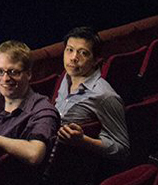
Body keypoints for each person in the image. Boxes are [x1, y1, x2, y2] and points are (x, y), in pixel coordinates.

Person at [0, 40, 60, 173]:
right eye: (0, 71)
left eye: (14, 72)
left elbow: (35, 155)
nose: (6, 78)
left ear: (29, 74)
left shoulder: (43, 111)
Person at [55, 27, 130, 162]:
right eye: (69, 50)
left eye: (83, 53)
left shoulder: (104, 95)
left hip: (65, 164)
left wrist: (83, 140)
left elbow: (122, 149)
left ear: (96, 60)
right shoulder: (67, 76)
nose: (73, 58)